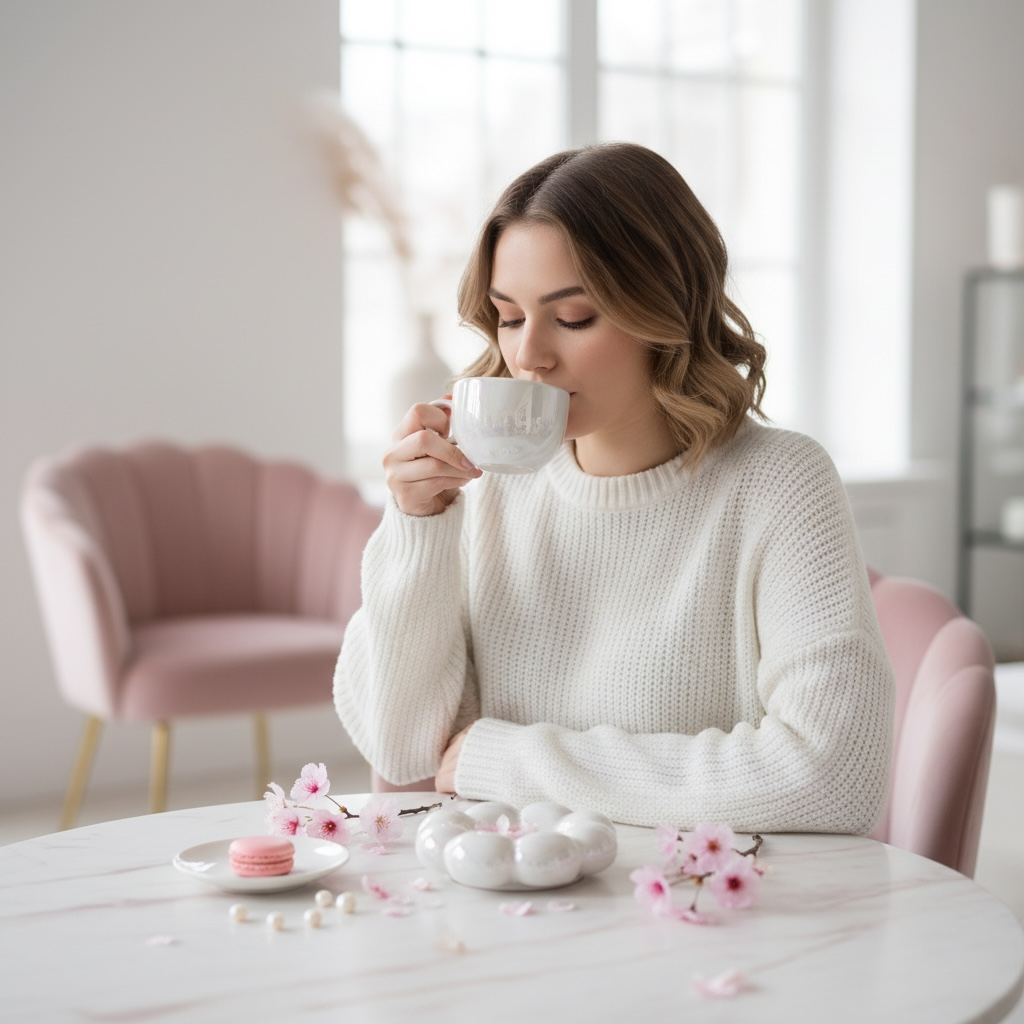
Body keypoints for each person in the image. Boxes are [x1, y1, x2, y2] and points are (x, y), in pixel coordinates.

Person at [333, 142, 894, 833]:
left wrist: (511, 763)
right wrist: (417, 525)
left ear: (666, 311)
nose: (529, 355)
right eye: (509, 317)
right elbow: (402, 746)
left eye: (573, 318)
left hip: (708, 914)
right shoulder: (490, 489)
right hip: (514, 909)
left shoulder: (779, 483)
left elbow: (831, 780)